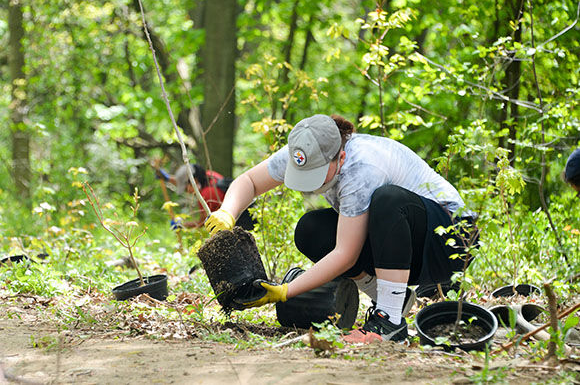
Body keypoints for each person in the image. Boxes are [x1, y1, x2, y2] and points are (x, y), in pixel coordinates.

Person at [204, 114, 477, 344]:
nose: (309, 183)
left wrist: (286, 291)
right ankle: (391, 296)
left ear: (341, 157)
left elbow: (345, 254)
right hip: (402, 244)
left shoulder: (362, 168)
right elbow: (249, 181)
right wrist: (228, 212)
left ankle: (390, 322)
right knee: (311, 229)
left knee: (388, 201)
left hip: (450, 242)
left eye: (317, 172)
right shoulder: (306, 151)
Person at [157, 163, 255, 231]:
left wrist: (182, 225)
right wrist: (167, 178)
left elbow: (202, 223)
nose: (188, 192)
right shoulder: (209, 175)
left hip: (244, 221)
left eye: (186, 188)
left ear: (194, 181)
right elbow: (185, 180)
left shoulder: (206, 196)